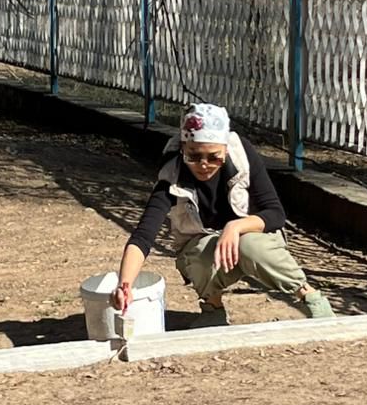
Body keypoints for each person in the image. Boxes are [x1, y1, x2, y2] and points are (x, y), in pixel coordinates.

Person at [110, 103, 334, 327]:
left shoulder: (242, 156)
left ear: (225, 149)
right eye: (194, 156)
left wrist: (235, 227)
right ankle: (212, 307)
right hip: (205, 244)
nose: (204, 165)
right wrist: (125, 284)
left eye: (214, 157)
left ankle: (310, 296)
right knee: (198, 253)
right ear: (183, 148)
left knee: (251, 246)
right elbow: (143, 235)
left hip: (250, 237)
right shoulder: (172, 174)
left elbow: (275, 214)